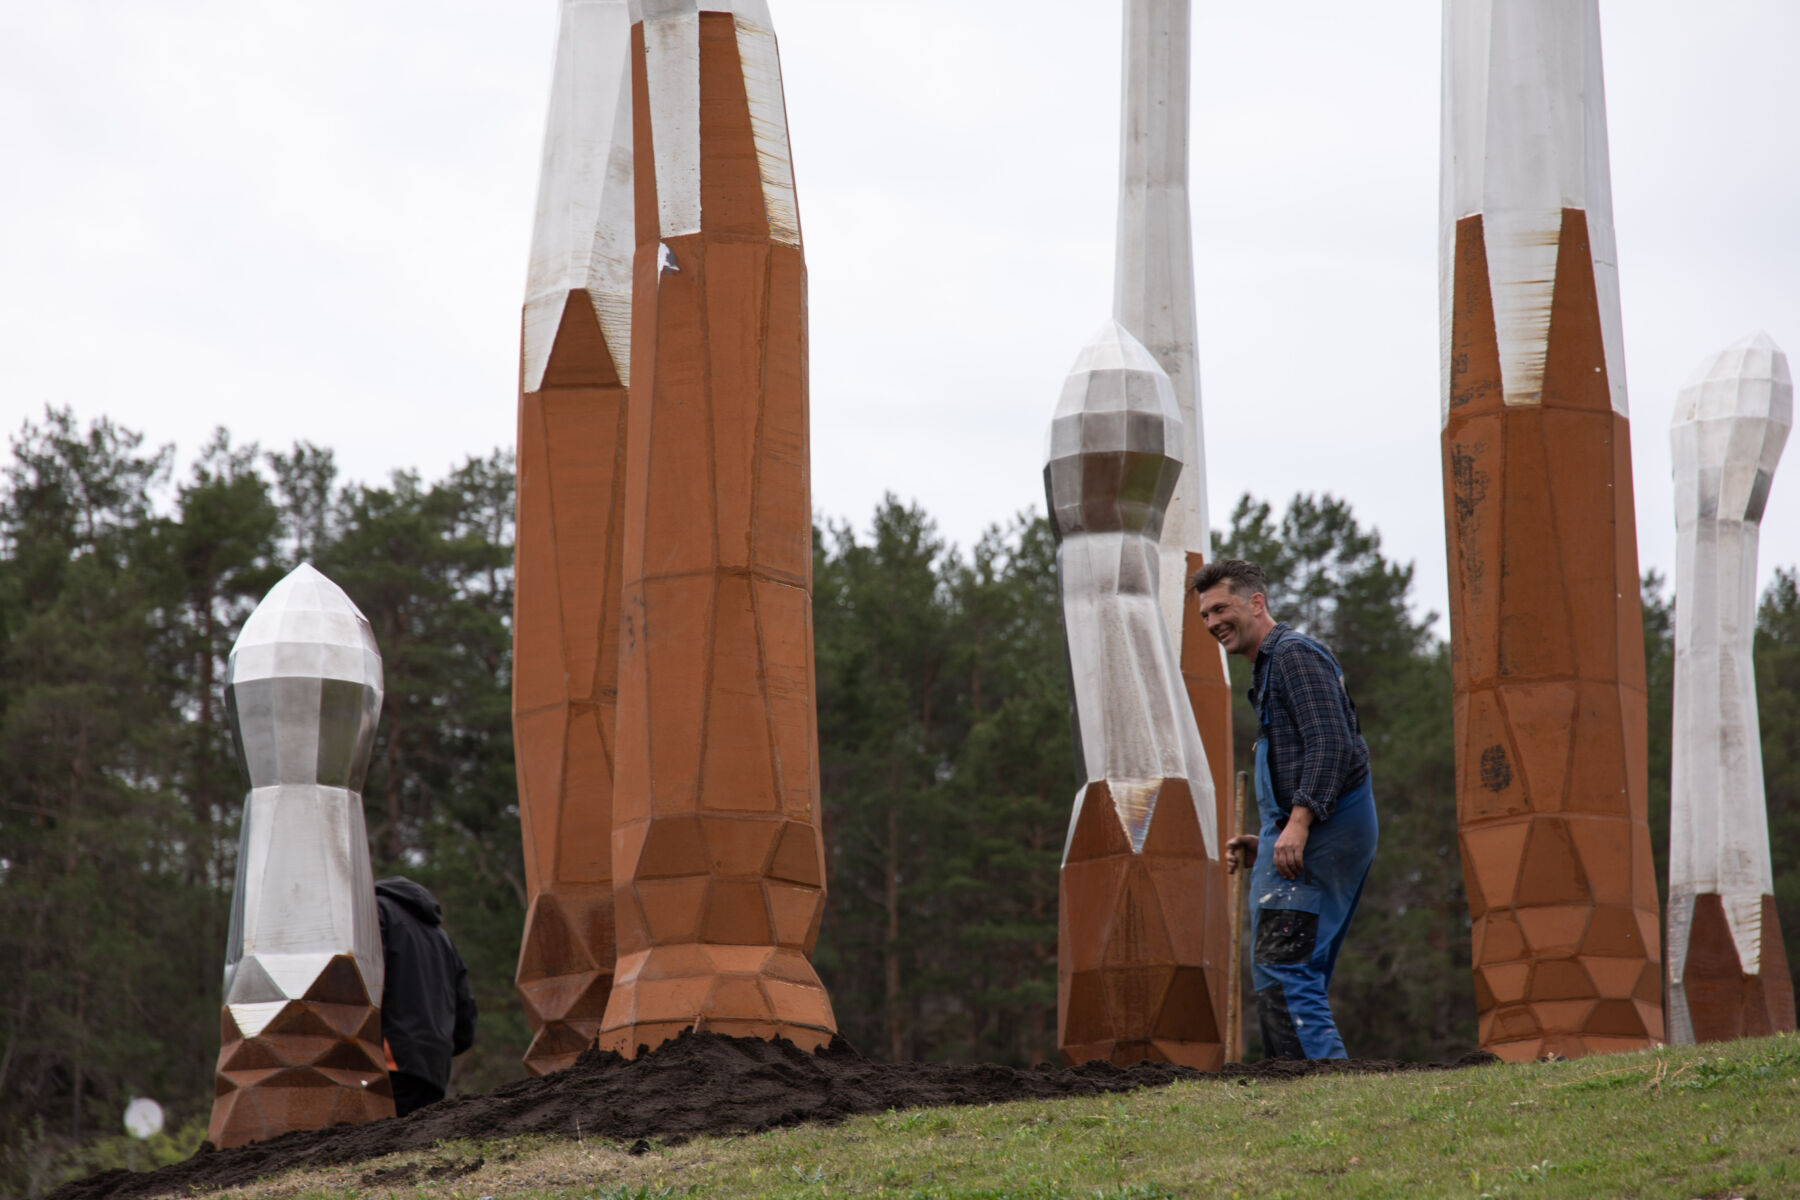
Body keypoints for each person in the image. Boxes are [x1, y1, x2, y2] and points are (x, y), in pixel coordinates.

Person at [1192, 559, 1378, 1060]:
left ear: (1256, 603)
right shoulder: (1269, 666)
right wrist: (1268, 838)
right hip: (1309, 827)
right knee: (1291, 964)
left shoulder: (1294, 655)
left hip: (1327, 826)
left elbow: (1331, 744)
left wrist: (1298, 824)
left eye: (1220, 608)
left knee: (1285, 966)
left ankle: (1317, 1086)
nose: (1212, 624)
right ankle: (1301, 1083)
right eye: (1205, 615)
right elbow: (1303, 753)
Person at [375, 876, 477, 1116]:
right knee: (414, 1146)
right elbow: (465, 1013)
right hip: (434, 1067)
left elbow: (366, 979)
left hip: (392, 1059)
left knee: (378, 1145)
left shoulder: (376, 913)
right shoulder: (442, 937)